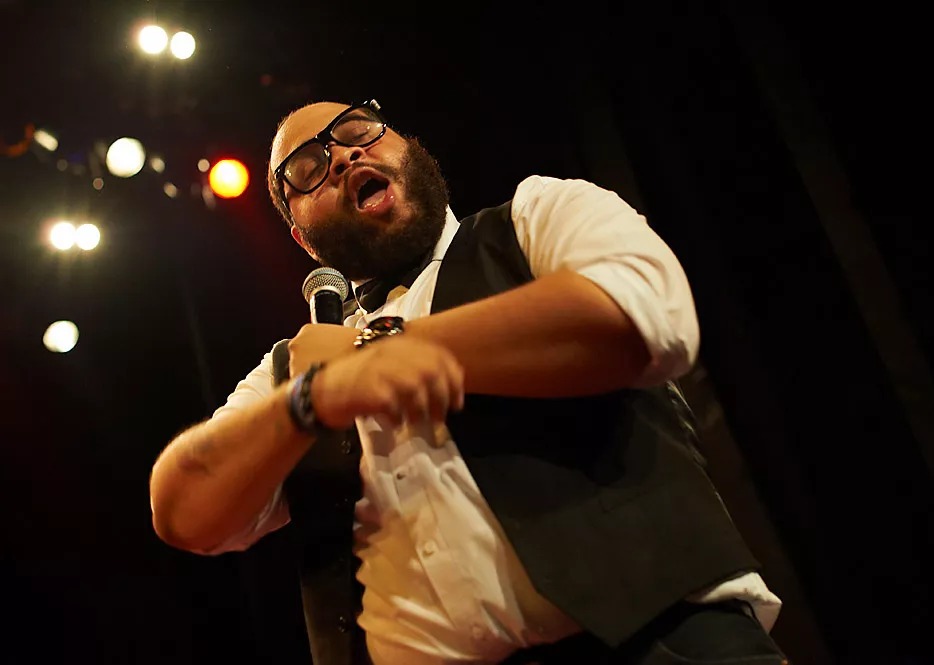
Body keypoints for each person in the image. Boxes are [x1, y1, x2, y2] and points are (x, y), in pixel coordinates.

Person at [150, 99, 788, 665]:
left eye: (357, 131)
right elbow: (184, 514)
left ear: (409, 147)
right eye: (307, 169)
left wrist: (381, 350)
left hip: (664, 644)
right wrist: (307, 402)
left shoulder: (536, 216)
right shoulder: (296, 368)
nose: (342, 156)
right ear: (302, 237)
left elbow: (641, 316)